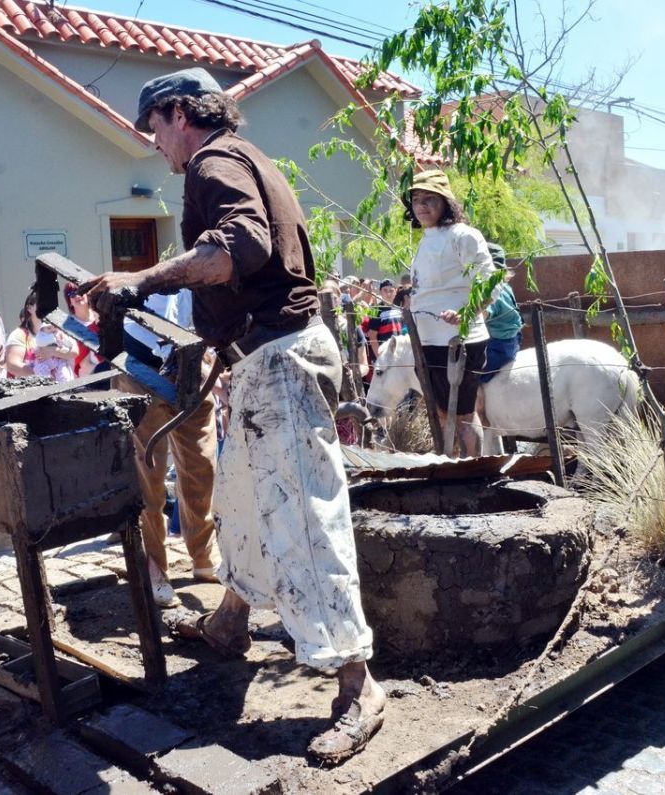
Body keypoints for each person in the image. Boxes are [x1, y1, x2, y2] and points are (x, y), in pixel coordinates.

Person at [82, 66, 384, 764]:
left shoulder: (214, 160)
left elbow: (240, 248)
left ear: (182, 112)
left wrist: (142, 278)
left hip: (280, 363)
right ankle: (230, 622)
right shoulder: (245, 159)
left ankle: (357, 686)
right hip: (261, 360)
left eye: (154, 127)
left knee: (306, 520)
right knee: (241, 504)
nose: (153, 144)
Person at [118, 289, 220, 608]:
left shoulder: (209, 290)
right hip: (141, 368)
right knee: (149, 476)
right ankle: (151, 566)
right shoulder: (152, 293)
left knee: (202, 467)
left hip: (189, 369)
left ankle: (204, 556)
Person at [405, 169, 494, 458]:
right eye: (417, 199)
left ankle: (474, 473)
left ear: (446, 202)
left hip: (461, 339)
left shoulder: (464, 236)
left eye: (430, 199)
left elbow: (489, 282)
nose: (422, 206)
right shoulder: (426, 239)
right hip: (428, 340)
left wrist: (466, 313)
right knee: (443, 413)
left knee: (465, 414)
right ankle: (454, 472)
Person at [479, 244, 522, 384]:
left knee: (472, 375)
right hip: (513, 339)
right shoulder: (505, 286)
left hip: (497, 345)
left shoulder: (491, 290)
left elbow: (483, 314)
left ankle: (477, 396)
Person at [365, 278, 403, 359]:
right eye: (385, 290)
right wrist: (380, 357)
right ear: (380, 292)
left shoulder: (399, 310)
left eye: (391, 291)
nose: (388, 294)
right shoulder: (375, 310)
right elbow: (372, 336)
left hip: (399, 354)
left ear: (395, 292)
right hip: (384, 354)